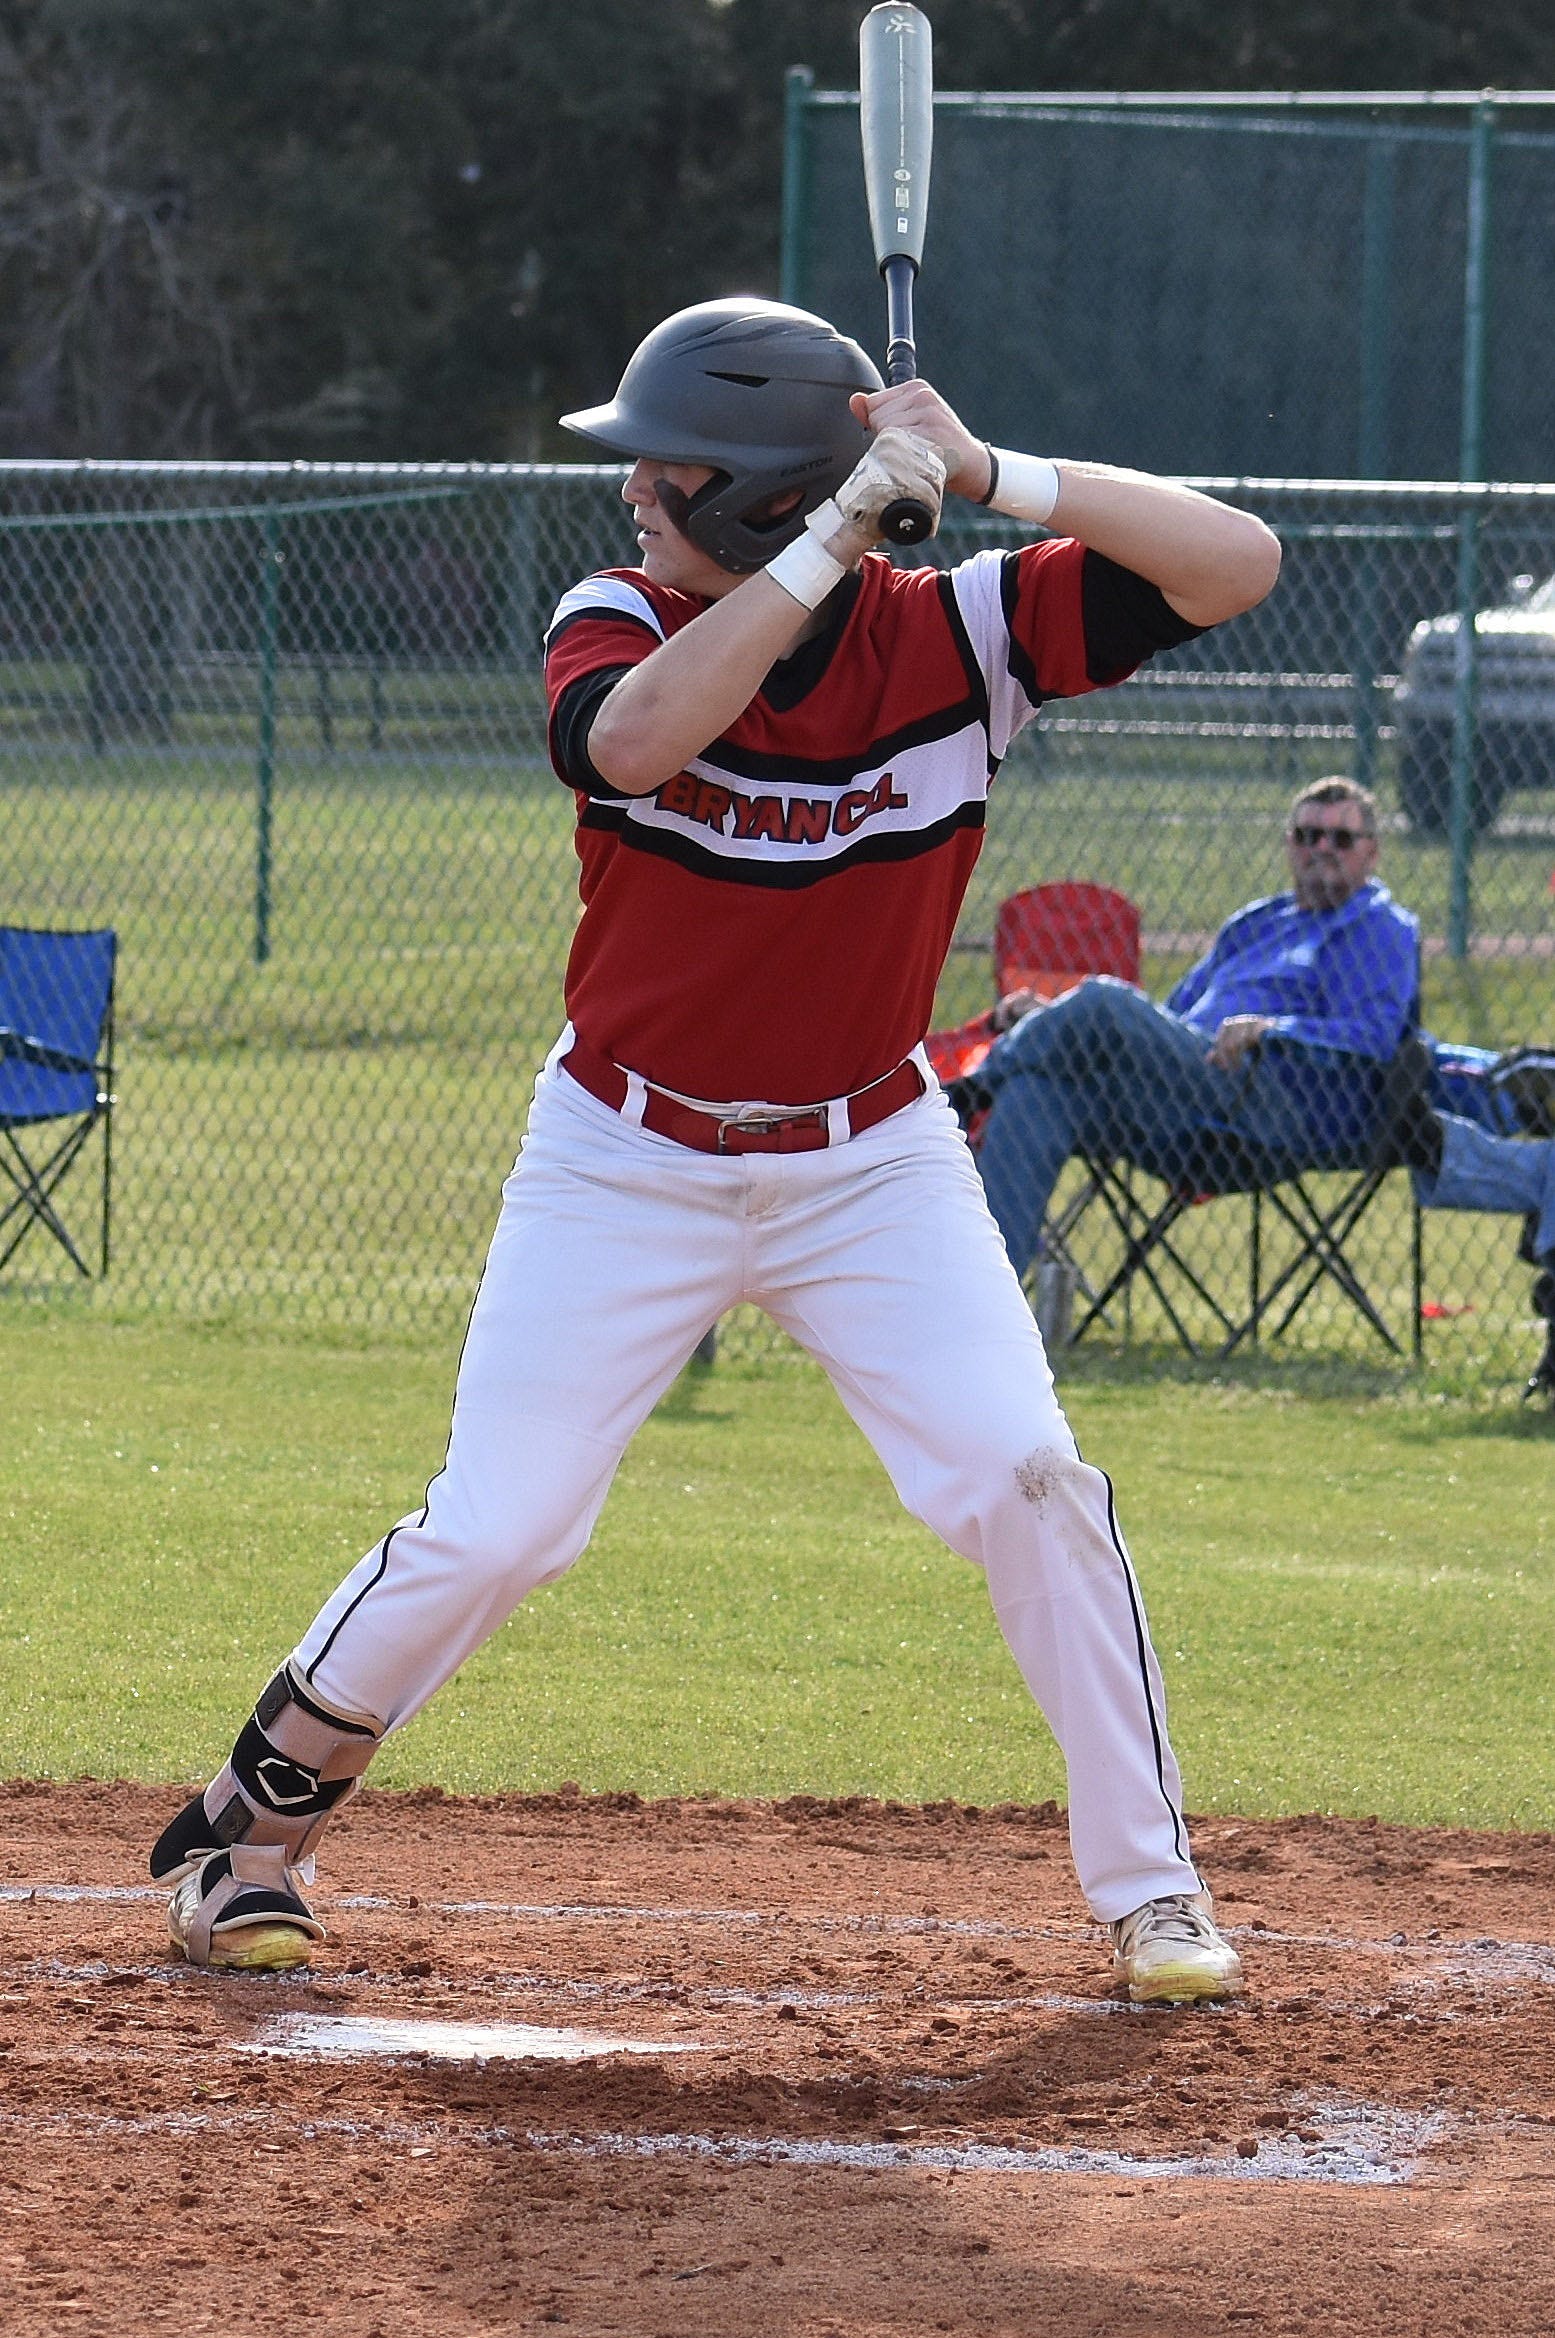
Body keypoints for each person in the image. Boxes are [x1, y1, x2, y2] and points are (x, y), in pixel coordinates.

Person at [146, 296, 1282, 2006]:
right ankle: (248, 1832)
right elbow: (633, 742)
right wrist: (831, 532)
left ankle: (1154, 1890)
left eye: (665, 478)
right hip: (623, 1151)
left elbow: (1240, 563)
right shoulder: (617, 618)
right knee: (503, 1525)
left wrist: (990, 469)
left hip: (873, 1159)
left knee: (1029, 1477)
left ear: (749, 493)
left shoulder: (966, 634)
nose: (633, 500)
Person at [960, 776, 1555, 1393]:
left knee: (1105, 1001)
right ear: (1289, 845)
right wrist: (1052, 1025)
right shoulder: (1254, 923)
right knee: (1039, 1098)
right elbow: (1171, 1021)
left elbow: (1378, 1037)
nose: (1322, 847)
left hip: (1278, 1115)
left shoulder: (1381, 926)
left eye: (1342, 838)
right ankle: (980, 1328)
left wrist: (1275, 1028)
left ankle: (969, 1091)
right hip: (1185, 1101)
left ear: (1372, 852)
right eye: (1307, 835)